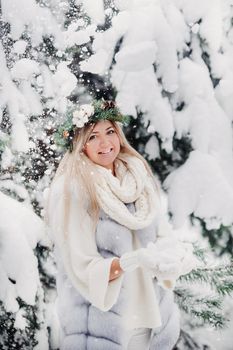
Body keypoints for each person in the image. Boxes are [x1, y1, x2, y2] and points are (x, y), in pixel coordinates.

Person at [46, 99, 196, 350]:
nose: (105, 144)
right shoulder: (73, 189)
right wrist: (132, 260)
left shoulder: (136, 176)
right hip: (103, 327)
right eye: (92, 137)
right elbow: (81, 267)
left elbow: (161, 235)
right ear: (79, 145)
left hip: (149, 319)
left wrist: (174, 256)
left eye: (110, 132)